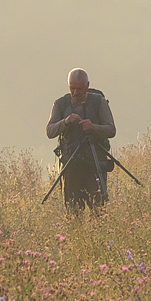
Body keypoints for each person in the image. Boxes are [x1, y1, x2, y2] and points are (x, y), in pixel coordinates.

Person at [46, 68, 116, 211]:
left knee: (97, 209)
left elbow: (111, 130)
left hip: (95, 162)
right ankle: (75, 232)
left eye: (79, 88)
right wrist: (65, 122)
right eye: (72, 88)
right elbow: (50, 131)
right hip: (70, 164)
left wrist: (93, 127)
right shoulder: (60, 104)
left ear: (87, 86)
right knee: (72, 210)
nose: (75, 92)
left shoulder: (99, 102)